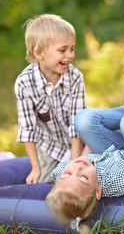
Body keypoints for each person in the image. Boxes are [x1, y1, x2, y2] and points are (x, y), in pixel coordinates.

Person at [45, 72, 124, 234]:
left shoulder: (65, 172)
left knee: (83, 121)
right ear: (98, 190)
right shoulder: (121, 178)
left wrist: (86, 141)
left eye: (67, 173)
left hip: (117, 153)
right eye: (83, 177)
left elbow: (65, 171)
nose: (77, 166)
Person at [15, 14, 86, 184]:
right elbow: (27, 129)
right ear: (39, 53)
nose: (69, 55)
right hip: (49, 146)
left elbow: (76, 122)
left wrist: (74, 161)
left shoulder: (75, 77)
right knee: (44, 185)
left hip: (76, 145)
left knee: (78, 180)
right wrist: (35, 168)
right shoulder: (24, 83)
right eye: (62, 50)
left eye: (72, 49)